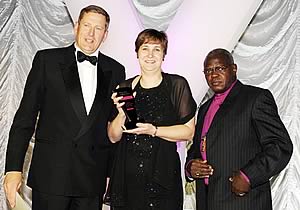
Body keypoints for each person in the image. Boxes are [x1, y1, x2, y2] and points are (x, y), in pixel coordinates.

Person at [3, 5, 125, 210]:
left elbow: (112, 129)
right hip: (52, 175)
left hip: (91, 179)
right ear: (76, 27)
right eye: (87, 25)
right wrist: (13, 169)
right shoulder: (47, 60)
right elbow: (25, 118)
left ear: (105, 35)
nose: (91, 33)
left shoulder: (116, 70)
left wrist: (109, 175)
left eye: (98, 28)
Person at [185, 48, 293, 210]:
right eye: (208, 70)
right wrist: (190, 166)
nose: (213, 75)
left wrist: (249, 176)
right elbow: (197, 148)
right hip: (207, 201)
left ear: (234, 69)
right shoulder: (204, 108)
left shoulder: (255, 98)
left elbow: (280, 146)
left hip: (243, 201)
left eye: (220, 68)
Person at [104, 28, 197, 210]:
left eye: (157, 49)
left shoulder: (177, 85)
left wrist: (154, 130)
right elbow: (113, 136)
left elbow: (188, 131)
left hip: (163, 174)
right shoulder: (124, 87)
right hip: (128, 174)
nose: (150, 55)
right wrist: (122, 114)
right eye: (145, 48)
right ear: (137, 53)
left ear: (164, 55)